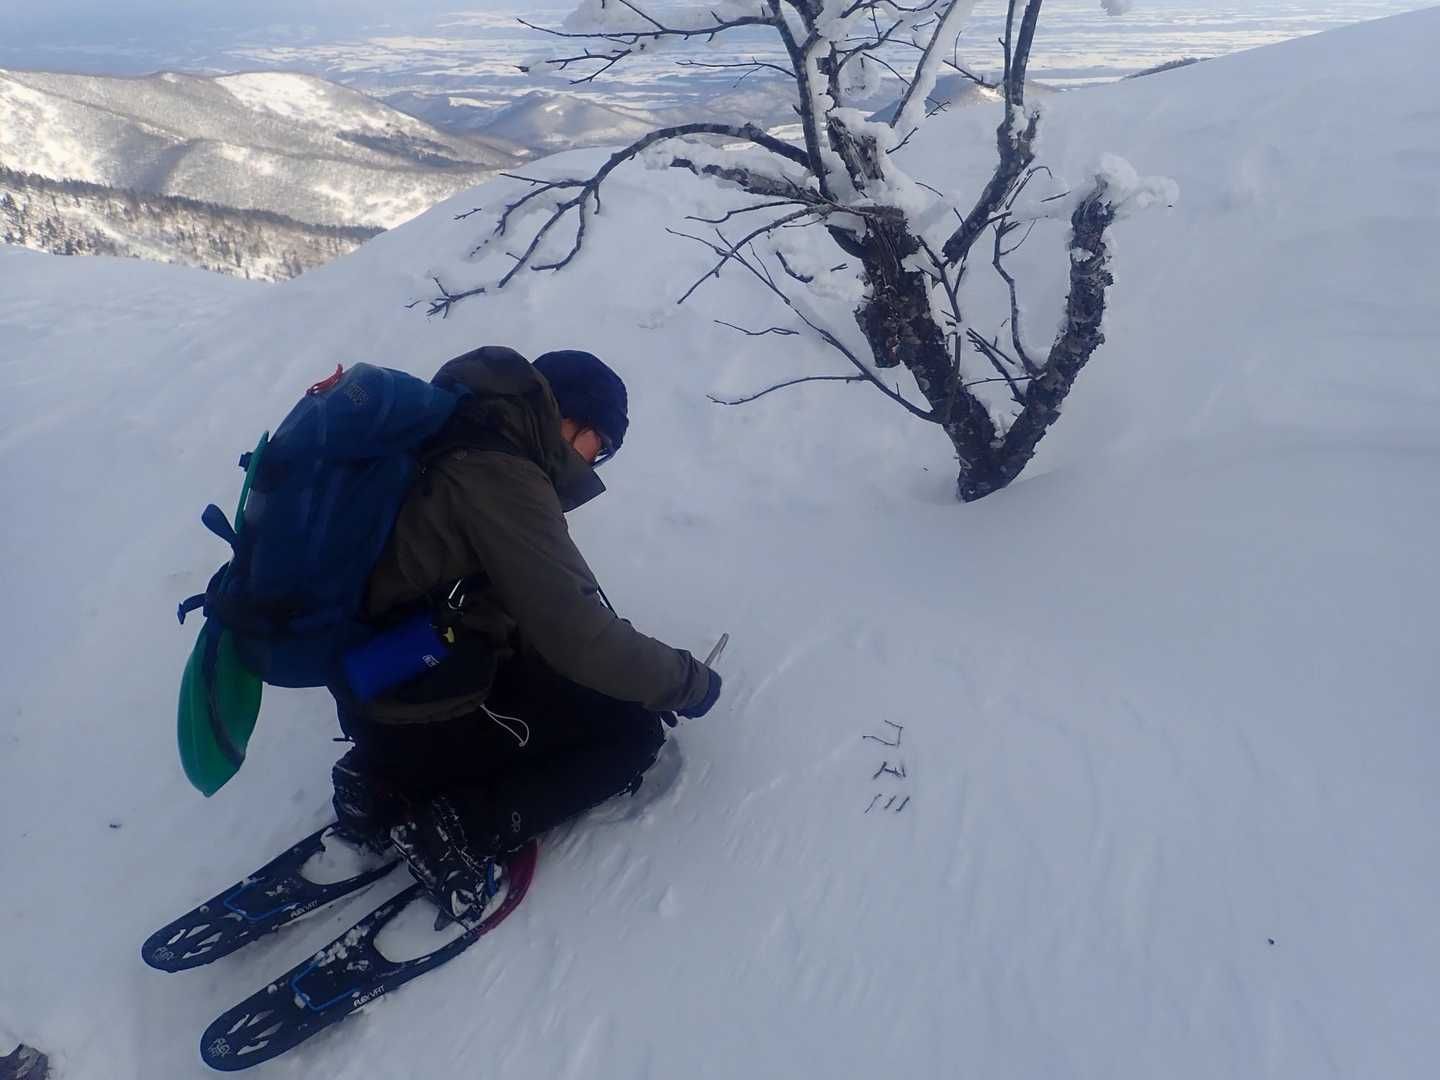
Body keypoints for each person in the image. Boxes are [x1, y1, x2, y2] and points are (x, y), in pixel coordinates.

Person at [328, 345, 721, 924]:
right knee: (629, 733)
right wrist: (687, 683)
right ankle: (456, 832)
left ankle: (381, 781)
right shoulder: (502, 476)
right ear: (570, 418)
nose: (596, 460)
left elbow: (505, 601)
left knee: (546, 678)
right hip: (416, 703)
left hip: (377, 683)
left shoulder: (453, 437)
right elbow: (578, 636)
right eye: (602, 444)